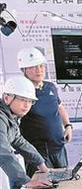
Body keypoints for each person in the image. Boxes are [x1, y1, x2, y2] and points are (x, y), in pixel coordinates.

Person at [17, 47, 72, 177]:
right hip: (37, 153)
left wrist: (68, 126)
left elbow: (60, 107)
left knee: (65, 183)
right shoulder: (20, 92)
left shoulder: (50, 87)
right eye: (33, 67)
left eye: (41, 66)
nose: (39, 70)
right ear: (24, 70)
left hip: (58, 147)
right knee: (42, 185)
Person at [0, 76, 51, 189]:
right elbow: (2, 150)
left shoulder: (10, 116)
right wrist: (24, 180)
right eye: (23, 99)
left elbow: (18, 140)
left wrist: (40, 163)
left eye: (30, 101)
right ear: (7, 98)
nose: (27, 105)